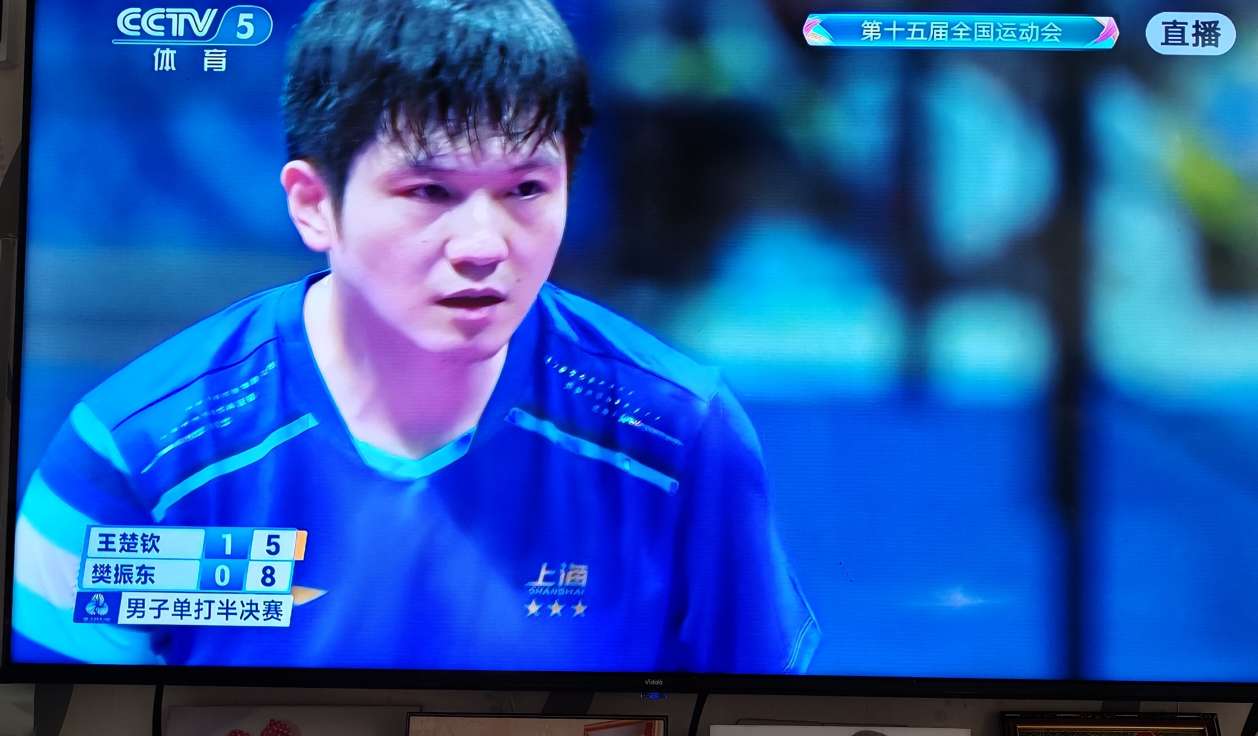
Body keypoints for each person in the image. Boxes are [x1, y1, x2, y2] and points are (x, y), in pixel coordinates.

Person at [12, 0, 818, 673]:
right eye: (430, 190)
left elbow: (752, 715)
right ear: (313, 204)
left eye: (526, 188)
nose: (484, 244)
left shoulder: (678, 436)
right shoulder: (132, 456)